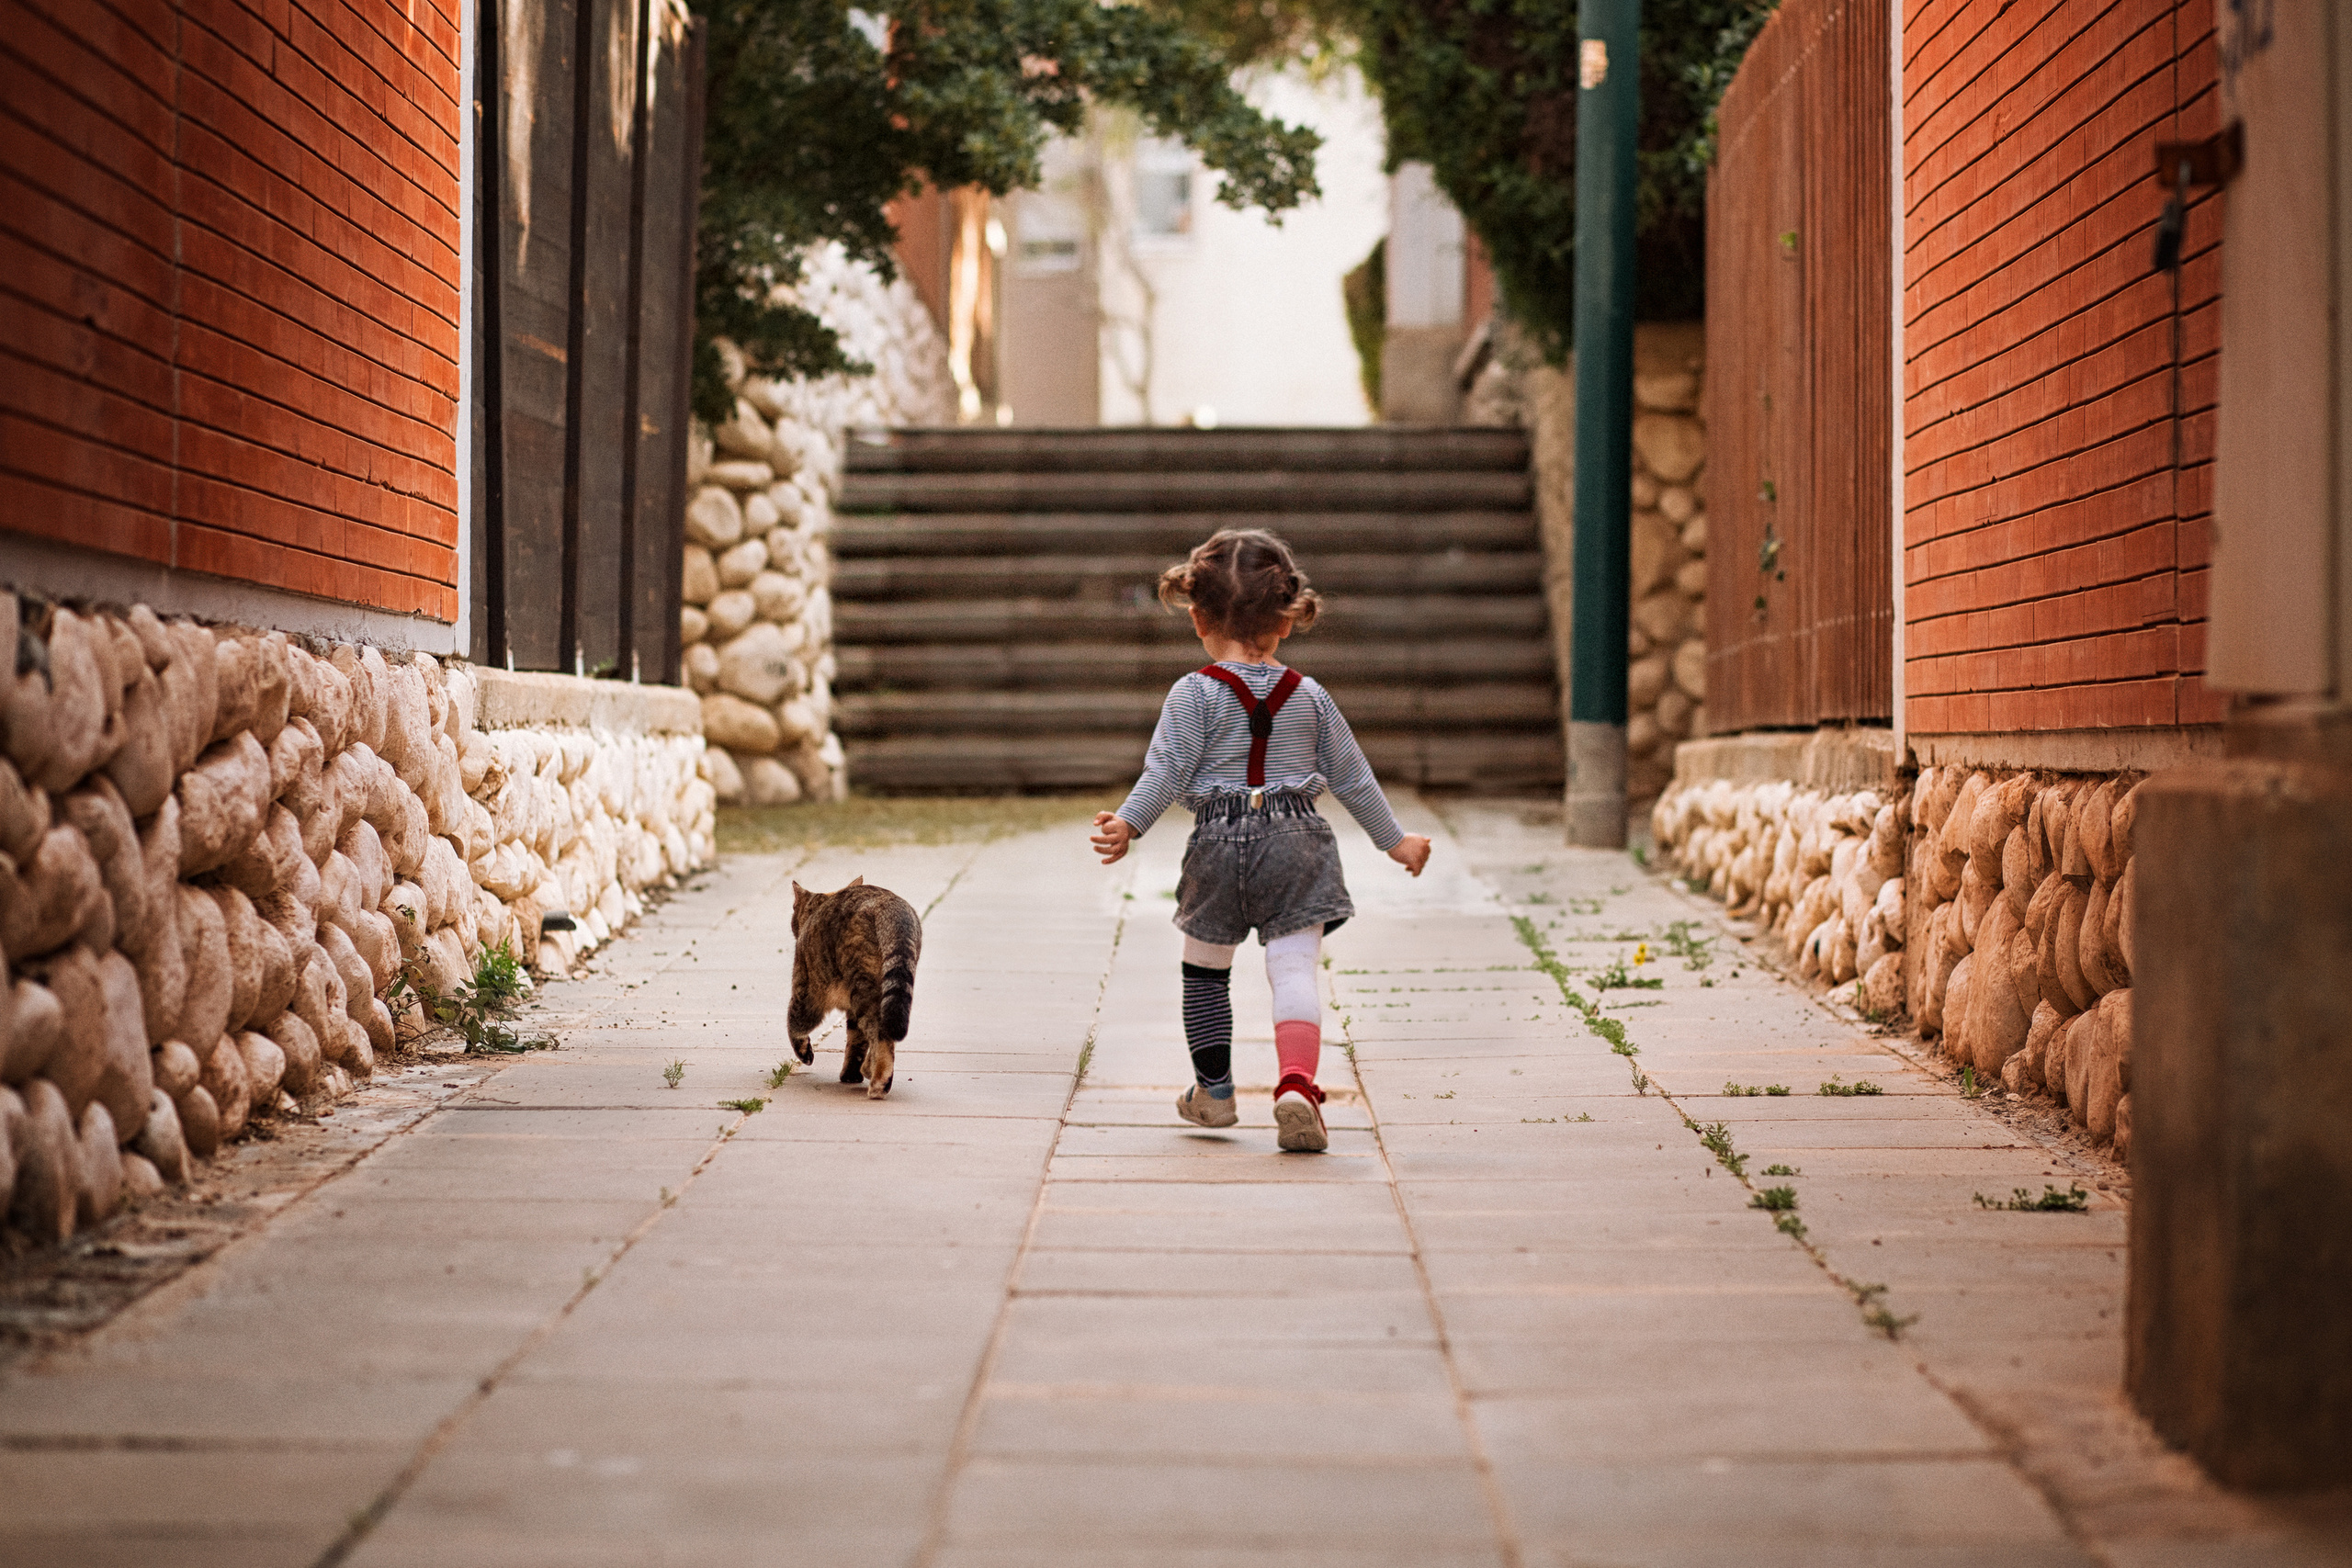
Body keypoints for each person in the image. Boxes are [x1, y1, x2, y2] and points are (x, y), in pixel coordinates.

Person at [1091, 528, 1432, 1152]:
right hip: (1298, 839)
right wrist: (1395, 841)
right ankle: (1297, 1083)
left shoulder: (1192, 693)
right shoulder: (1311, 696)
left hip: (1217, 839)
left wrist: (1129, 824)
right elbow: (1352, 776)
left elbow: (1164, 769)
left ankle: (1214, 1092)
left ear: (1197, 616)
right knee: (1295, 968)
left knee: (1205, 970)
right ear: (1285, 621)